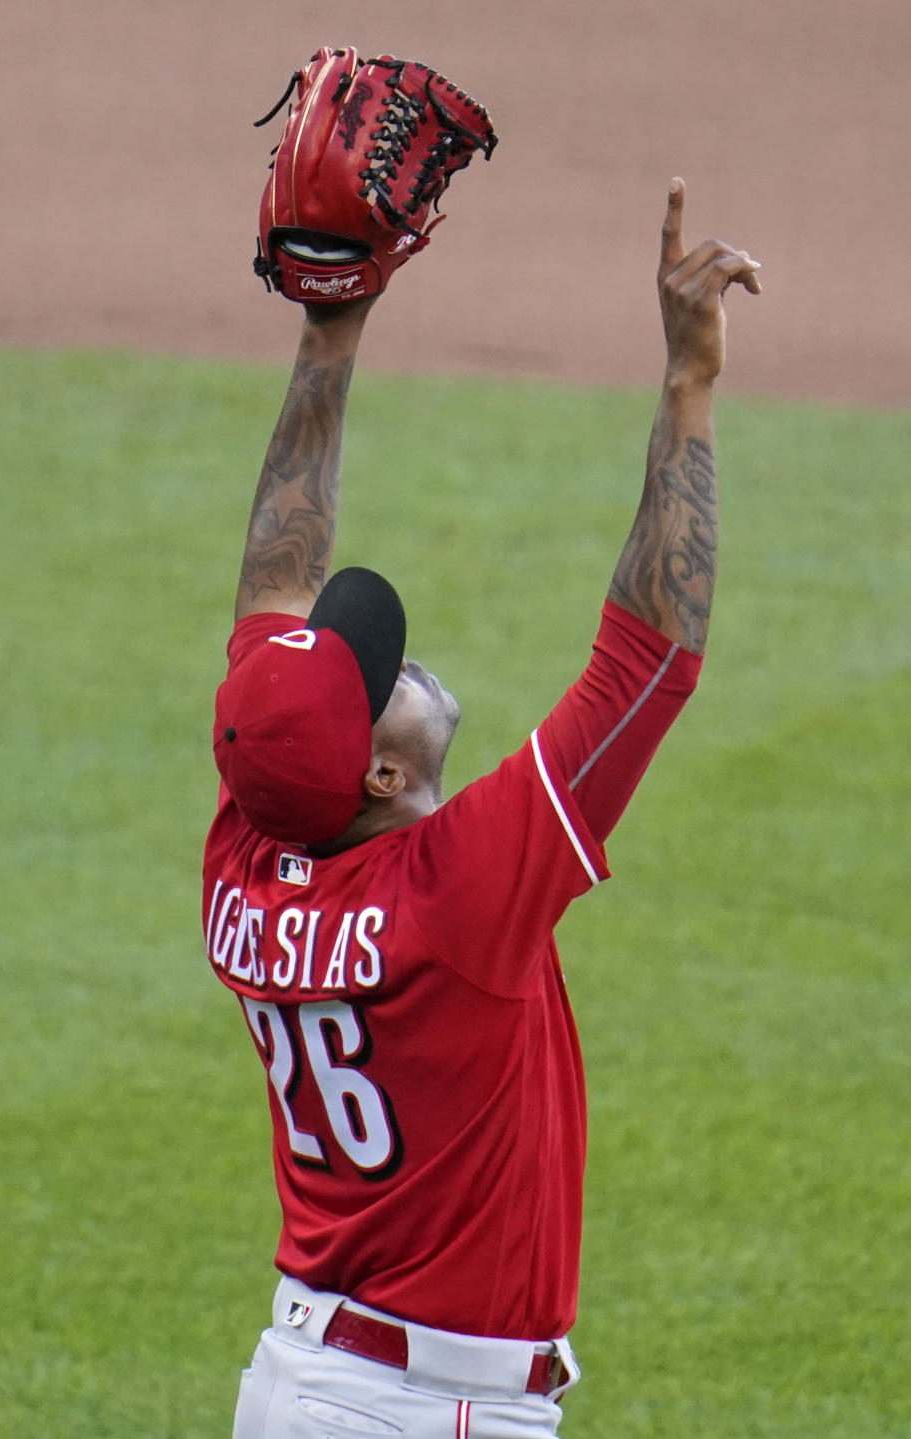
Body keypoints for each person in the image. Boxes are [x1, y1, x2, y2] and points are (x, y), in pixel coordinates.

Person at [202, 178, 761, 1438]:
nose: (391, 659)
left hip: (310, 1376)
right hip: (420, 1406)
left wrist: (331, 323)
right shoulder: (457, 892)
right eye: (373, 683)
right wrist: (688, 382)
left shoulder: (249, 847)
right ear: (379, 779)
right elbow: (651, 661)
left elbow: (275, 580)